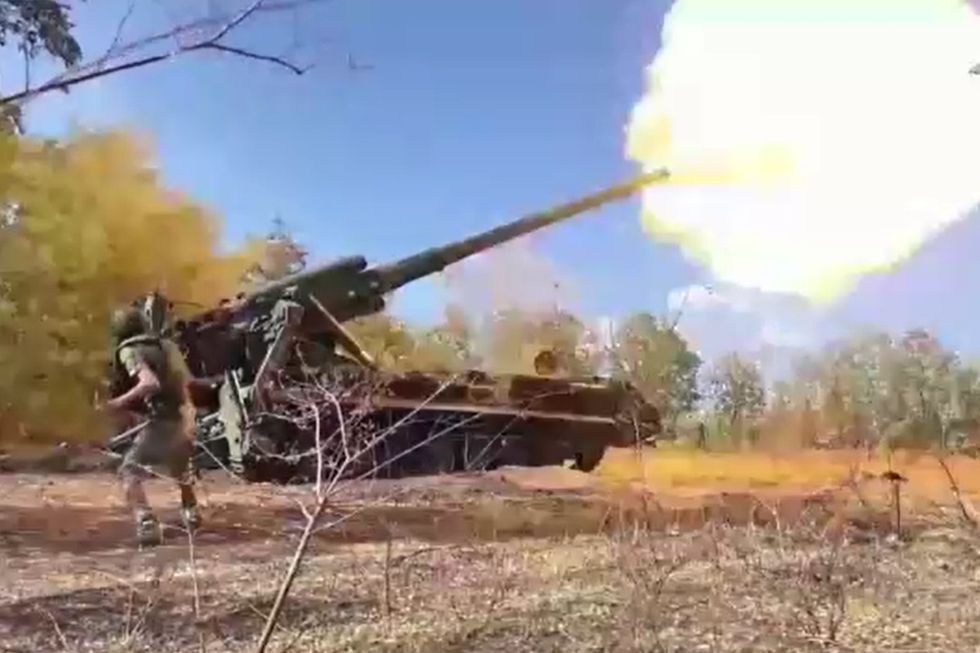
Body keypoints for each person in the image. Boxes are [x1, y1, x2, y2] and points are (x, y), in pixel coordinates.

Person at [103, 306, 202, 547]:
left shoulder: (129, 350)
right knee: (179, 467)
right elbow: (184, 381)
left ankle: (146, 521)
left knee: (129, 471)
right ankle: (191, 512)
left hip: (162, 421)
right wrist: (189, 416)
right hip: (180, 416)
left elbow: (149, 383)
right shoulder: (164, 345)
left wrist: (115, 404)